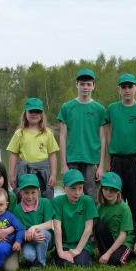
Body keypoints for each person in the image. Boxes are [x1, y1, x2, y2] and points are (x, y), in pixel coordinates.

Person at [57, 68, 107, 202]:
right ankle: (72, 223)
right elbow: (62, 137)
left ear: (93, 86)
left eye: (89, 84)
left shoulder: (100, 109)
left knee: (93, 197)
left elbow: (103, 138)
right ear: (76, 85)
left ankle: (94, 223)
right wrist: (63, 164)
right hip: (72, 158)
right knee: (72, 196)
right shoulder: (67, 108)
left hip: (92, 159)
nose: (85, 87)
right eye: (82, 84)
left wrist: (101, 165)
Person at [106, 73, 136, 218]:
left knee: (135, 196)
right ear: (119, 89)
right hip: (117, 158)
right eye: (124, 87)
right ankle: (118, 231)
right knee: (117, 195)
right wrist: (109, 159)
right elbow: (109, 134)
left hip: (134, 159)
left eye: (130, 87)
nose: (127, 90)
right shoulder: (112, 108)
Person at [7, 98, 59, 201]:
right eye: (31, 111)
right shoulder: (19, 133)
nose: (34, 114)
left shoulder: (47, 133)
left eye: (38, 111)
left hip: (41, 174)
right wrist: (12, 175)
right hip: (24, 174)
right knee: (22, 200)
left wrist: (53, 174)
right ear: (25, 113)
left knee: (43, 200)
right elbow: (14, 155)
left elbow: (52, 155)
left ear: (42, 114)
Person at [52, 169, 98, 267]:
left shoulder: (87, 201)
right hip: (65, 244)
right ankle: (57, 255)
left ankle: (85, 254)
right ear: (64, 188)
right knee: (64, 264)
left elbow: (89, 228)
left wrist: (78, 250)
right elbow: (57, 227)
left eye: (80, 188)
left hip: (82, 244)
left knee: (82, 263)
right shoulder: (58, 201)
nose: (77, 192)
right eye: (73, 188)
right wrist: (60, 252)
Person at [13, 174, 55, 270]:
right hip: (28, 240)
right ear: (20, 192)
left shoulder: (45, 202)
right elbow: (20, 231)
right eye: (26, 193)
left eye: (33, 192)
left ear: (38, 191)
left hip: (46, 238)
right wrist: (31, 235)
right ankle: (33, 260)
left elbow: (49, 224)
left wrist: (33, 228)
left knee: (41, 233)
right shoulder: (17, 209)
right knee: (29, 256)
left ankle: (40, 263)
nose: (30, 196)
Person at [94, 172, 133, 266]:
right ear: (101, 189)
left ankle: (123, 254)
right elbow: (96, 231)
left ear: (118, 191)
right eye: (106, 189)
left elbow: (123, 235)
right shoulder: (100, 207)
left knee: (115, 261)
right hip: (110, 241)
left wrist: (108, 253)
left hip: (123, 242)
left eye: (113, 190)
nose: (109, 192)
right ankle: (104, 254)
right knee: (99, 226)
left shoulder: (124, 208)